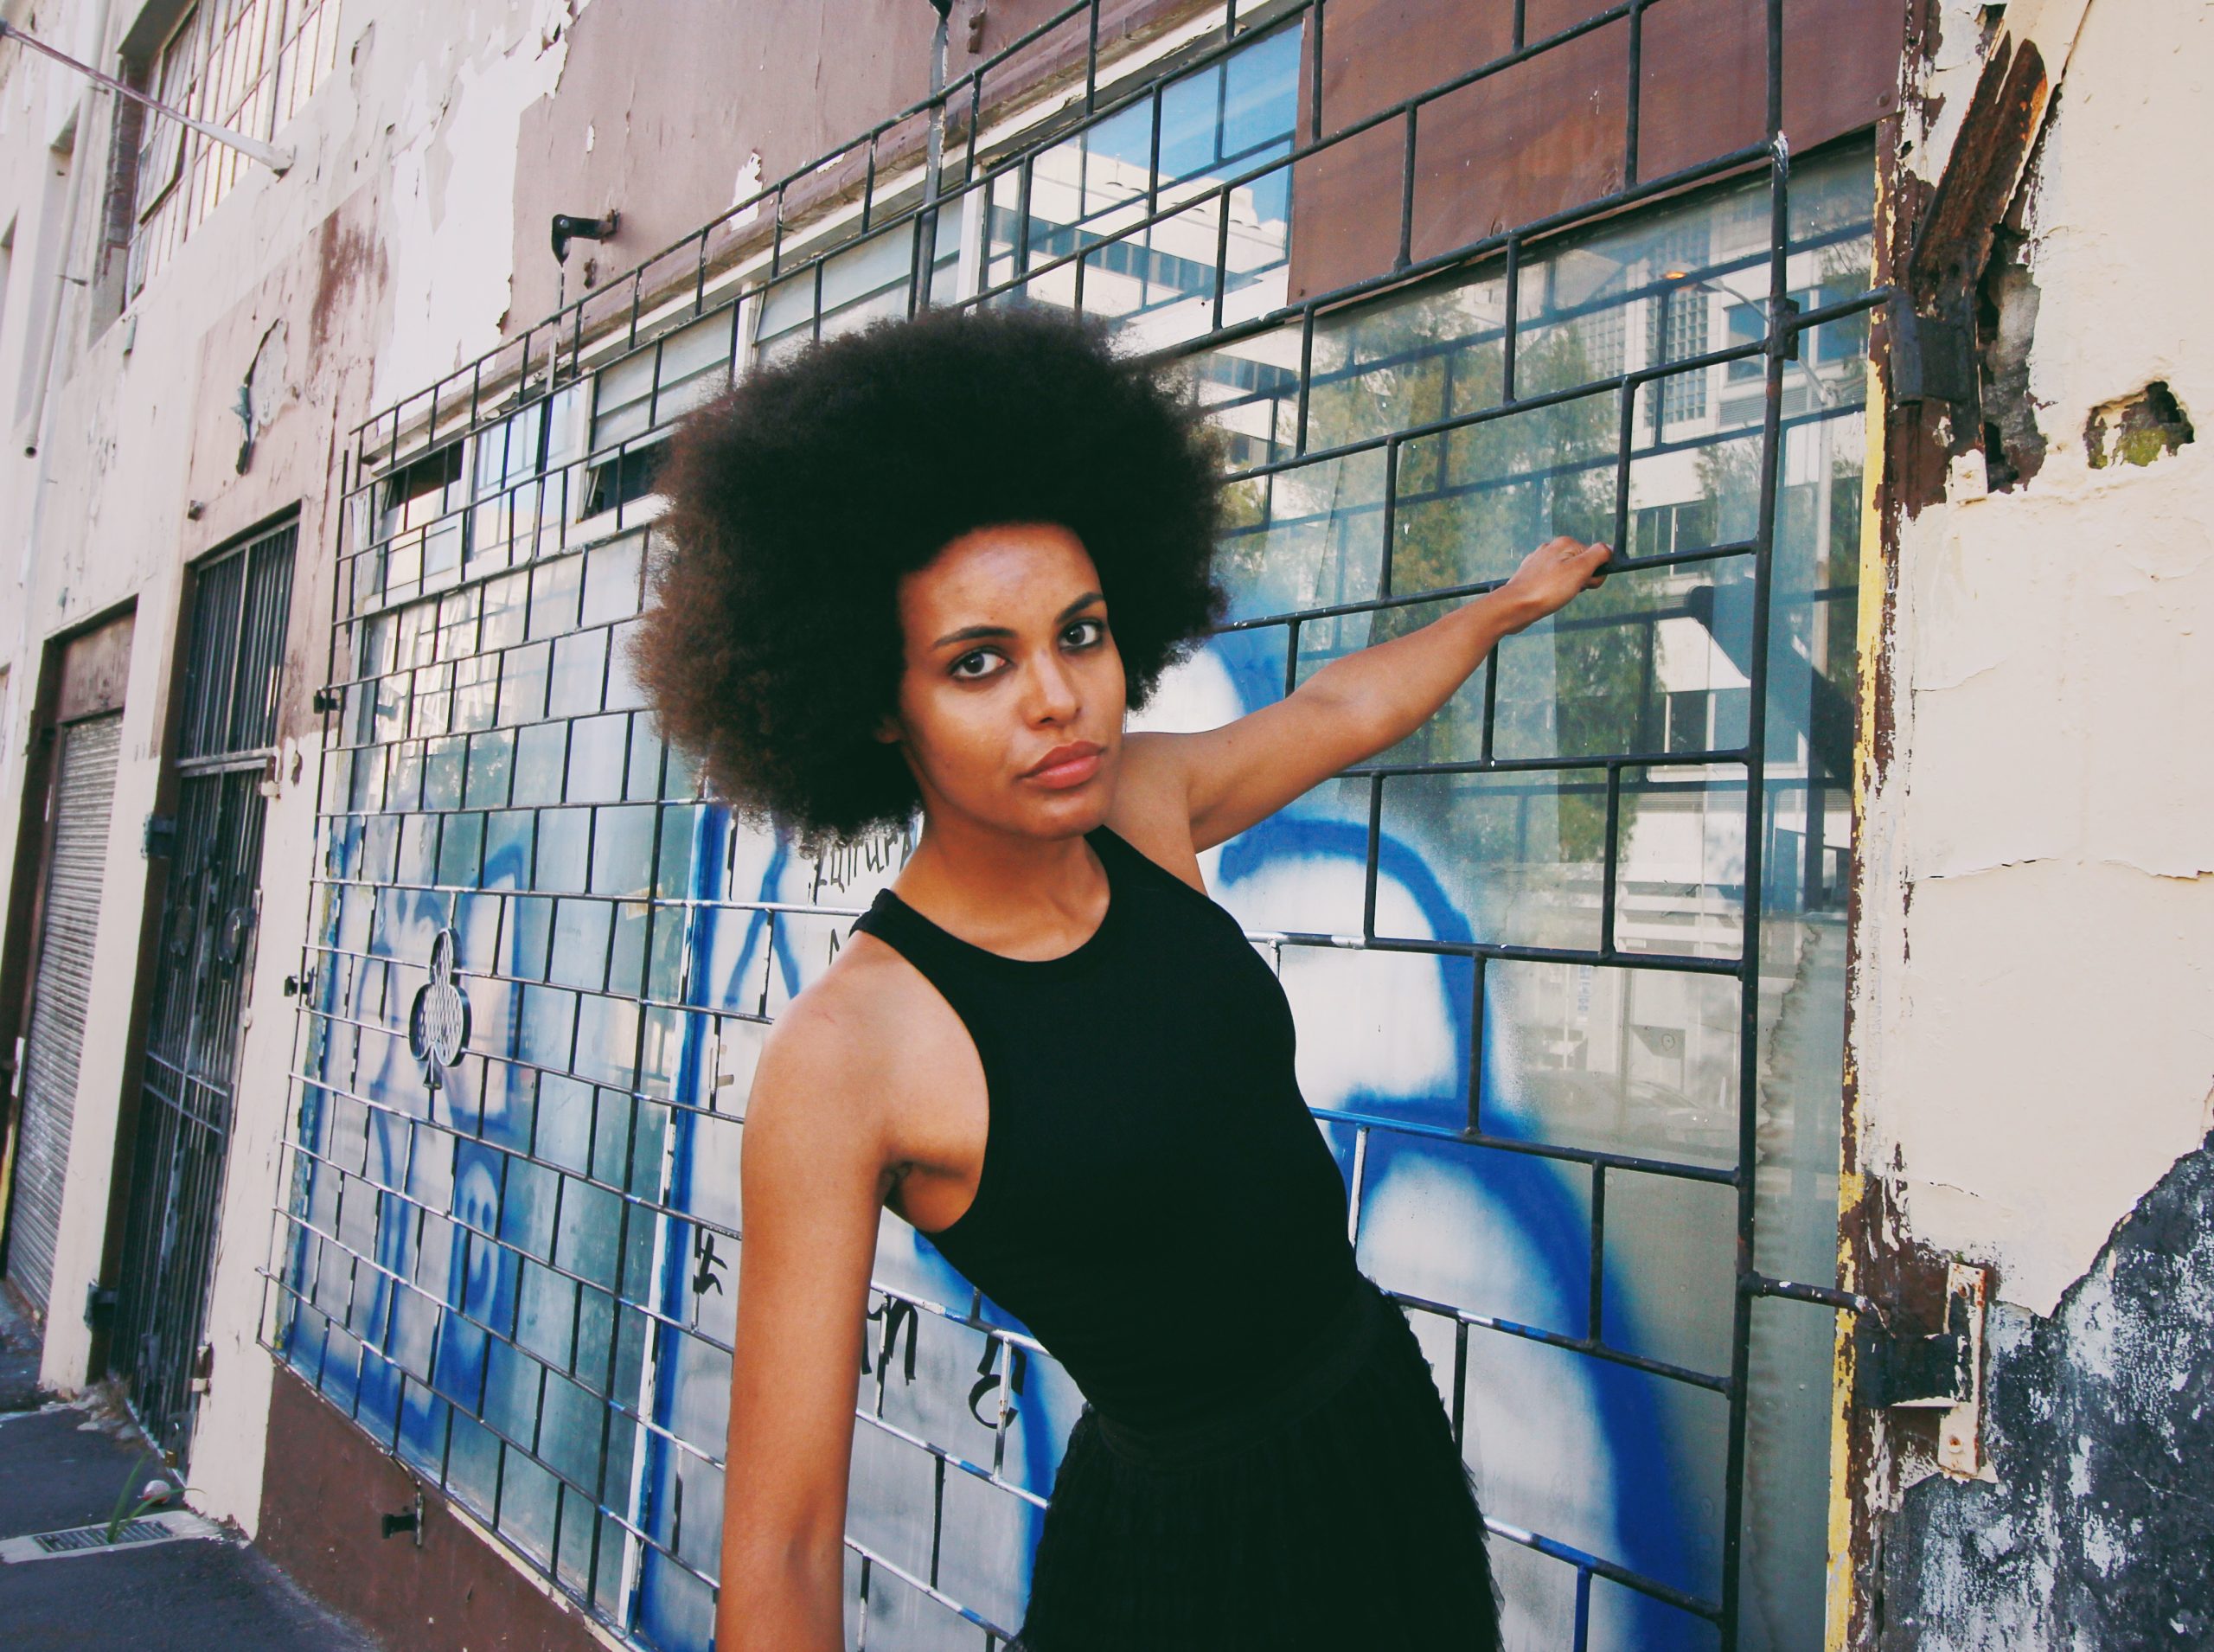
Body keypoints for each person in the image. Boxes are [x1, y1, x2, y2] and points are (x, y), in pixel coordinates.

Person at [632, 304, 1610, 1652]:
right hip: (1185, 1563)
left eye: (1080, 635)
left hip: (1375, 1434)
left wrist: (1503, 608)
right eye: (981, 661)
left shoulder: (1146, 806)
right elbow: (787, 1549)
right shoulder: (850, 1054)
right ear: (872, 700)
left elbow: (1336, 712)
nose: (1058, 698)